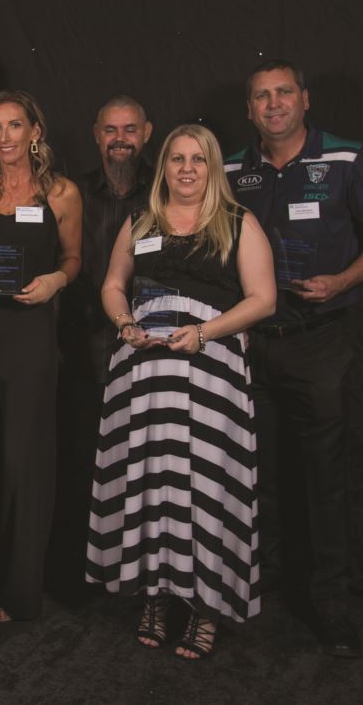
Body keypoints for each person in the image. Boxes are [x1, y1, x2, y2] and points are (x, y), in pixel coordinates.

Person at [88, 124, 276, 659]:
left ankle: (207, 604)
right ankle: (157, 593)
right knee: (150, 483)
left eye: (198, 159)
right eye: (176, 159)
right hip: (145, 374)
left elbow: (263, 299)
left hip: (209, 370)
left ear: (213, 167)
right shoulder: (140, 221)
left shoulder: (239, 223)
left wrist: (203, 333)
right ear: (164, 165)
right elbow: (111, 285)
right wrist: (125, 324)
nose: (187, 169)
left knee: (206, 486)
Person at [225, 59, 363, 658]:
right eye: (262, 96)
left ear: (305, 100)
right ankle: (263, 586)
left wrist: (342, 281)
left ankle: (331, 601)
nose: (274, 103)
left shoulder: (346, 160)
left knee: (325, 477)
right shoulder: (232, 169)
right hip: (252, 345)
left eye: (284, 93)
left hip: (321, 341)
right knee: (255, 470)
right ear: (250, 109)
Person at [0, 90, 82, 621]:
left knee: (22, 461)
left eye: (14, 125)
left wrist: (56, 280)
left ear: (35, 132)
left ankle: (17, 587)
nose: (4, 136)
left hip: (29, 334)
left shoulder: (62, 193)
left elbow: (74, 258)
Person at [51, 96, 154, 594]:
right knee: (82, 454)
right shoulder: (73, 193)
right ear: (95, 134)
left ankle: (144, 572)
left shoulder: (168, 188)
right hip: (82, 341)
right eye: (111, 130)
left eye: (129, 130)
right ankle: (80, 572)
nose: (120, 139)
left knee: (145, 454)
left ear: (147, 133)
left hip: (154, 341)